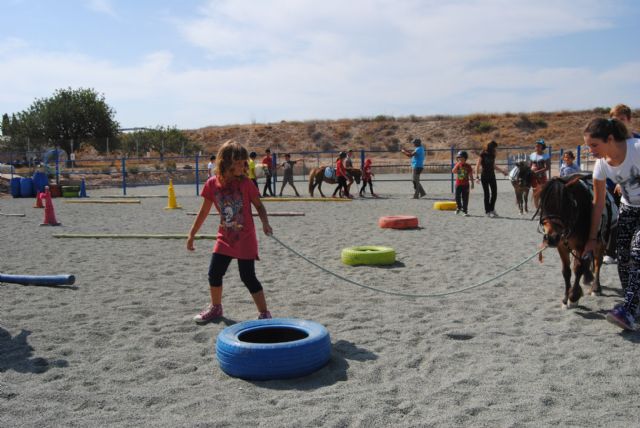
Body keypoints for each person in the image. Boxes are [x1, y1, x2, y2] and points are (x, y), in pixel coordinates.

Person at [187, 140, 273, 323]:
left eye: (244, 162)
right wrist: (192, 233)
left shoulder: (247, 184)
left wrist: (265, 223)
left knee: (248, 277)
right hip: (225, 237)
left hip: (246, 238)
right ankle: (216, 308)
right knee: (214, 273)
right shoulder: (212, 184)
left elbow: (259, 206)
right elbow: (203, 211)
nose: (244, 166)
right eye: (240, 163)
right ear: (226, 162)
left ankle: (264, 313)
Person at [582, 118, 640, 330]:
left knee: (638, 250)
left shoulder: (636, 150)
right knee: (622, 255)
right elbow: (597, 204)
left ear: (610, 139)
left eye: (594, 145)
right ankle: (634, 304)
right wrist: (591, 238)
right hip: (629, 208)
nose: (591, 151)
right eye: (588, 146)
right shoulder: (601, 165)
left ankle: (629, 310)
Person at [475, 140, 507, 217]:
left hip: (492, 175)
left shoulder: (493, 155)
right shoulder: (482, 154)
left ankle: (492, 209)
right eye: (494, 147)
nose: (495, 149)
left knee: (494, 193)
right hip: (484, 176)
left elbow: (493, 166)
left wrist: (502, 171)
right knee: (487, 194)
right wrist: (477, 177)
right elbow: (477, 166)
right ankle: (487, 211)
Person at [452, 150, 474, 216]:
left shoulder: (468, 166)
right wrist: (458, 164)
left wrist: (472, 183)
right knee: (457, 197)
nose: (459, 159)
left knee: (465, 198)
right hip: (458, 184)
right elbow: (453, 171)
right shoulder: (458, 165)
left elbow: (470, 175)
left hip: (466, 185)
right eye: (458, 158)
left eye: (461, 157)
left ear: (465, 158)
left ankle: (465, 211)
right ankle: (459, 208)